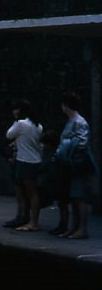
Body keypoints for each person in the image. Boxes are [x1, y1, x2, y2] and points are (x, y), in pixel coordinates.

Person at [52, 91, 94, 239]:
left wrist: (70, 154)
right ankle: (74, 228)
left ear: (65, 105)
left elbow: (82, 143)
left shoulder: (79, 122)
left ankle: (82, 229)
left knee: (79, 197)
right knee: (74, 197)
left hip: (76, 164)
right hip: (70, 163)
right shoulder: (73, 121)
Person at [5, 100, 44, 230]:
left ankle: (31, 222)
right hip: (35, 160)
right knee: (30, 192)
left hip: (24, 161)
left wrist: (16, 121)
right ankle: (28, 219)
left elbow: (9, 134)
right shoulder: (38, 126)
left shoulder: (21, 124)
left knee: (26, 192)